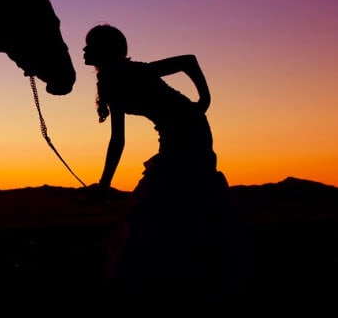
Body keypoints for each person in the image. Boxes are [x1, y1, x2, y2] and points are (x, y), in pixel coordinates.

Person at [82, 23, 249, 303]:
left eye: (91, 45)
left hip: (189, 132)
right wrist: (104, 184)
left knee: (158, 202)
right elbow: (118, 140)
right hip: (179, 133)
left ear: (106, 51)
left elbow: (188, 61)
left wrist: (204, 98)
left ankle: (174, 280)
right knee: (168, 202)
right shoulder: (112, 81)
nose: (84, 49)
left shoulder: (130, 72)